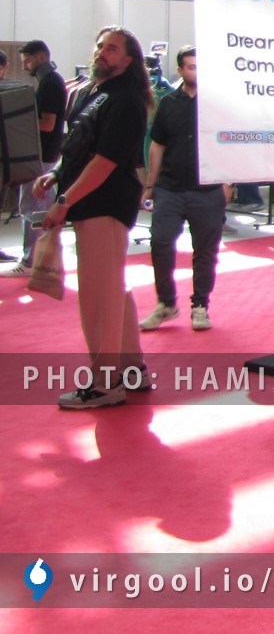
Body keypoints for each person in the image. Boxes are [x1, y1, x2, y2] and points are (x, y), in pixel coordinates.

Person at [35, 27, 153, 410]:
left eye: (112, 48)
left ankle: (105, 384)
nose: (102, 52)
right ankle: (131, 369)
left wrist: (64, 200)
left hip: (105, 204)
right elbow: (79, 147)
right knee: (111, 289)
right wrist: (57, 174)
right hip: (91, 204)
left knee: (98, 296)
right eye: (101, 45)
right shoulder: (93, 93)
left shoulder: (126, 101)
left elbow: (105, 162)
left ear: (128, 60)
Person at [139, 47, 229, 332]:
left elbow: (231, 143)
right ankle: (165, 303)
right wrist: (150, 185)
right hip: (170, 187)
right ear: (180, 70)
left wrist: (229, 182)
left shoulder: (218, 104)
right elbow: (158, 145)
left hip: (208, 190)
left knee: (205, 251)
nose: (196, 72)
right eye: (190, 67)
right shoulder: (168, 102)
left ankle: (200, 305)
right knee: (160, 242)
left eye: (200, 66)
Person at [1, 41, 68, 277]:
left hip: (41, 156)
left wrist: (15, 123)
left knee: (31, 207)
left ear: (40, 57)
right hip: (44, 155)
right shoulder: (51, 81)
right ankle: (41, 261)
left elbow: (48, 124)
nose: (25, 66)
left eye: (27, 61)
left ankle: (30, 262)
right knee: (39, 209)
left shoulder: (50, 83)